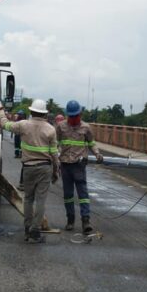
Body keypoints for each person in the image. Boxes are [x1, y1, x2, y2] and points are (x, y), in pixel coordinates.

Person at [0, 98, 58, 243]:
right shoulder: (50, 129)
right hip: (45, 168)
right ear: (44, 114)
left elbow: (4, 124)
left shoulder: (23, 125)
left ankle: (27, 229)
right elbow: (54, 154)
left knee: (28, 199)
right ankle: (35, 231)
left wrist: (0, 110)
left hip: (28, 168)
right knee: (41, 200)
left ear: (31, 111)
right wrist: (56, 171)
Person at [56, 99, 103, 234]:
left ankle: (86, 221)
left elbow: (91, 143)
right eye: (71, 116)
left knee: (83, 194)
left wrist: (97, 154)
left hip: (79, 165)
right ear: (67, 115)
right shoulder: (61, 127)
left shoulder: (86, 128)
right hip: (65, 164)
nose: (73, 119)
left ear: (80, 114)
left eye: (75, 116)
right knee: (68, 195)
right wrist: (54, 159)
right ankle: (70, 220)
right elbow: (55, 143)